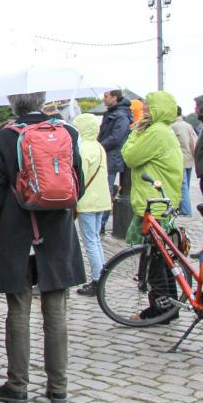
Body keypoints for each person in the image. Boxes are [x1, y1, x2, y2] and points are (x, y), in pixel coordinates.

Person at [0, 92, 85, 403]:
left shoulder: (2, 138)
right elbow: (76, 181)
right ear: (42, 103)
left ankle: (17, 385)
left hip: (19, 230)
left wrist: (2, 221)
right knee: (56, 310)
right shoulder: (68, 132)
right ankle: (58, 387)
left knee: (19, 309)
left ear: (13, 105)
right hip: (58, 230)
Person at [121, 91, 183, 323]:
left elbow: (130, 157)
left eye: (148, 105)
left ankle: (159, 310)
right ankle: (168, 307)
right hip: (157, 200)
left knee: (156, 261)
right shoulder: (162, 131)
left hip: (154, 203)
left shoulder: (156, 132)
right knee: (163, 260)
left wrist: (135, 131)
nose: (144, 109)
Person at [72, 113, 110, 296]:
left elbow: (80, 178)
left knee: (91, 242)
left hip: (87, 201)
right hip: (100, 200)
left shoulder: (83, 149)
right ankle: (101, 276)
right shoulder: (99, 147)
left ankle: (97, 280)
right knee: (95, 239)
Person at [97, 89, 132, 236]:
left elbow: (116, 138)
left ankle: (102, 224)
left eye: (106, 96)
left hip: (112, 157)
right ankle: (100, 223)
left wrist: (99, 145)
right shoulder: (113, 112)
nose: (103, 99)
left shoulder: (121, 115)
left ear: (115, 98)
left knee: (107, 190)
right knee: (105, 188)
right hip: (107, 155)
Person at [171, 106, 198, 215]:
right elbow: (194, 142)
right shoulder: (188, 126)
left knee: (182, 186)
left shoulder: (173, 126)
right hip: (189, 158)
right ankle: (184, 208)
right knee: (185, 185)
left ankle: (186, 210)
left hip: (179, 159)